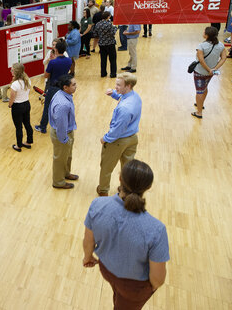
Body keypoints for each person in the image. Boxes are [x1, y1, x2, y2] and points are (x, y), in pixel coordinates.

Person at [83, 160, 169, 310]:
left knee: (118, 294)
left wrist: (87, 257)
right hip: (135, 287)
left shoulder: (97, 205)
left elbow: (88, 242)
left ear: (120, 179)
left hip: (106, 270)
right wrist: (149, 289)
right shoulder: (157, 230)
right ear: (148, 187)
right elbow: (158, 279)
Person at [98, 72, 141, 196]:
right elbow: (123, 98)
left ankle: (103, 190)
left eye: (118, 85)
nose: (115, 87)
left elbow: (117, 130)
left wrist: (105, 139)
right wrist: (114, 94)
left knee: (106, 167)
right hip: (132, 138)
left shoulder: (124, 109)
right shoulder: (135, 97)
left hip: (118, 141)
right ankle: (126, 190)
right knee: (127, 168)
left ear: (128, 86)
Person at [49, 74, 79, 189]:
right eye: (73, 85)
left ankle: (66, 173)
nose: (76, 86)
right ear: (65, 87)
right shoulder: (63, 104)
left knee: (67, 156)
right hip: (62, 134)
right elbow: (61, 125)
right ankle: (58, 182)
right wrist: (65, 140)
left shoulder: (63, 94)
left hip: (67, 131)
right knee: (60, 159)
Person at [35, 41, 72, 134]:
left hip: (53, 88)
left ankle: (43, 127)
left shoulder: (53, 62)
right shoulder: (69, 60)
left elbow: (46, 76)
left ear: (56, 49)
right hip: (64, 88)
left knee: (47, 108)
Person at [192, 27, 227, 119]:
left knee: (199, 91)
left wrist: (208, 69)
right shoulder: (220, 45)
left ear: (207, 35)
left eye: (204, 31)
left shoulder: (201, 46)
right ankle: (201, 104)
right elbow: (224, 58)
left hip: (200, 71)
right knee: (205, 87)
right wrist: (214, 68)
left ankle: (199, 112)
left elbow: (201, 59)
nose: (203, 32)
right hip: (211, 73)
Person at [7, 63, 33, 152]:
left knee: (19, 127)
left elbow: (12, 98)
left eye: (12, 70)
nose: (11, 71)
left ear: (16, 72)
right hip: (26, 104)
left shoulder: (15, 84)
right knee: (27, 124)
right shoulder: (28, 80)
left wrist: (10, 105)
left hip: (17, 107)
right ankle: (29, 142)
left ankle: (18, 146)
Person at [92, 11, 118, 78]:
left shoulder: (98, 24)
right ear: (108, 17)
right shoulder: (109, 24)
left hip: (101, 44)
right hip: (110, 43)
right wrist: (115, 27)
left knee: (103, 59)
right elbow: (113, 33)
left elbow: (95, 34)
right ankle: (113, 73)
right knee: (112, 59)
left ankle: (103, 73)